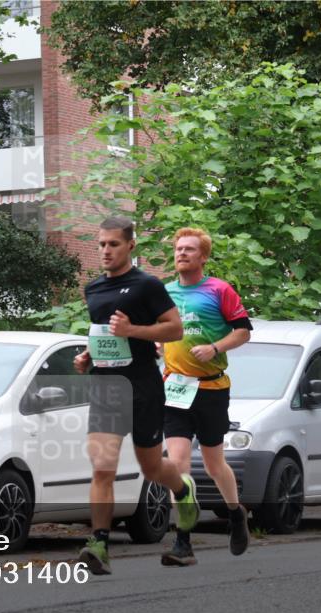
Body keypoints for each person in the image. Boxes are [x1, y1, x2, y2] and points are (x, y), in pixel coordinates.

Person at [73, 216, 201, 575]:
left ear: (130, 245)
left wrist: (133, 330)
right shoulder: (94, 289)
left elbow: (174, 329)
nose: (105, 251)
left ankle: (182, 490)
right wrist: (88, 355)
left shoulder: (147, 286)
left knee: (151, 467)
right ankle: (99, 543)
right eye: (100, 244)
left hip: (143, 385)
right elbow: (104, 333)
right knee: (102, 469)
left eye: (113, 244)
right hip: (105, 386)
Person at [160, 227, 252, 566]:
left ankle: (235, 512)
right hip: (174, 388)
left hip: (211, 387)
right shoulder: (164, 293)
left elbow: (243, 331)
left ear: (203, 256)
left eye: (189, 249)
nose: (181, 253)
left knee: (214, 464)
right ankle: (183, 540)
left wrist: (214, 346)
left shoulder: (219, 290)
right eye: (178, 248)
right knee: (177, 463)